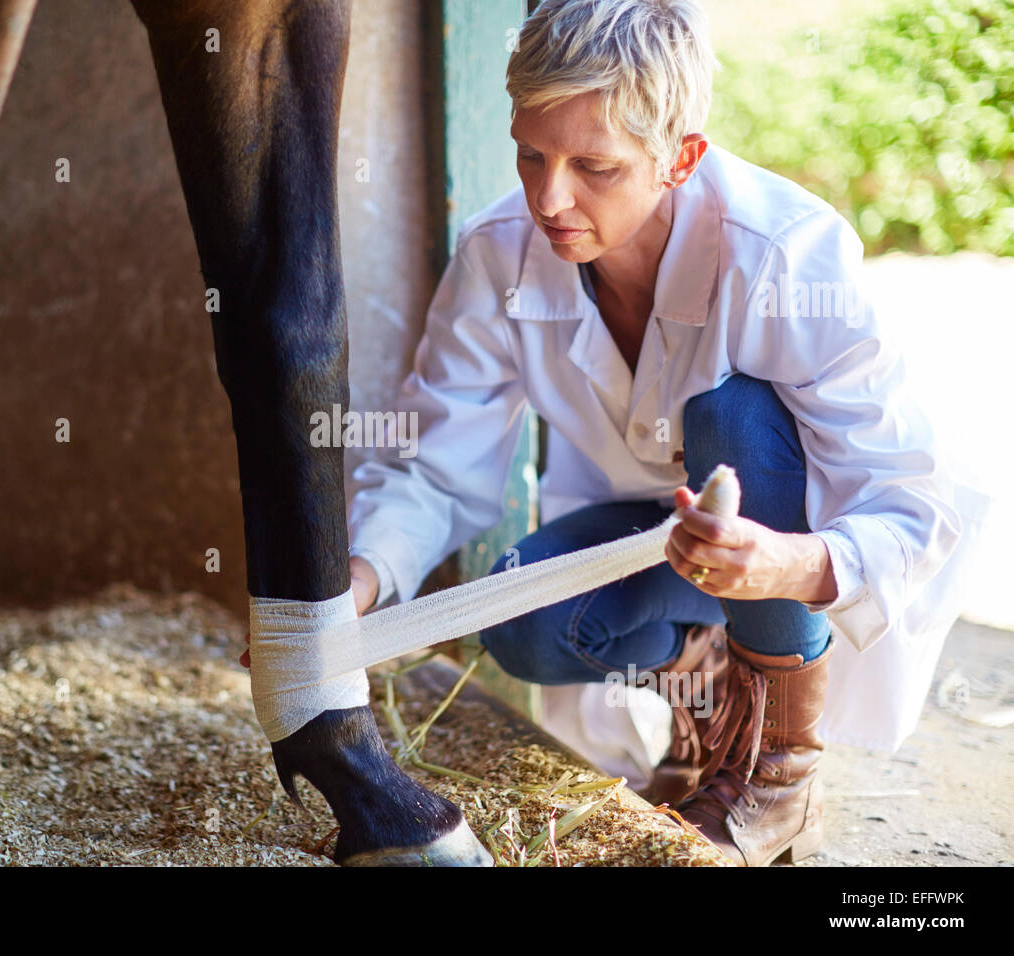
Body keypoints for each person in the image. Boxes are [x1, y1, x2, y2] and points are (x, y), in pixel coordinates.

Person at [343, 0, 986, 866]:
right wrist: (356, 583)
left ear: (680, 157)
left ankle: (776, 770)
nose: (548, 196)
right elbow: (435, 463)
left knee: (733, 414)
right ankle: (713, 697)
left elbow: (912, 504)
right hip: (653, 551)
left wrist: (782, 564)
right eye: (531, 152)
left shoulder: (785, 252)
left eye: (594, 166)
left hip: (787, 551)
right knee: (522, 619)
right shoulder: (497, 252)